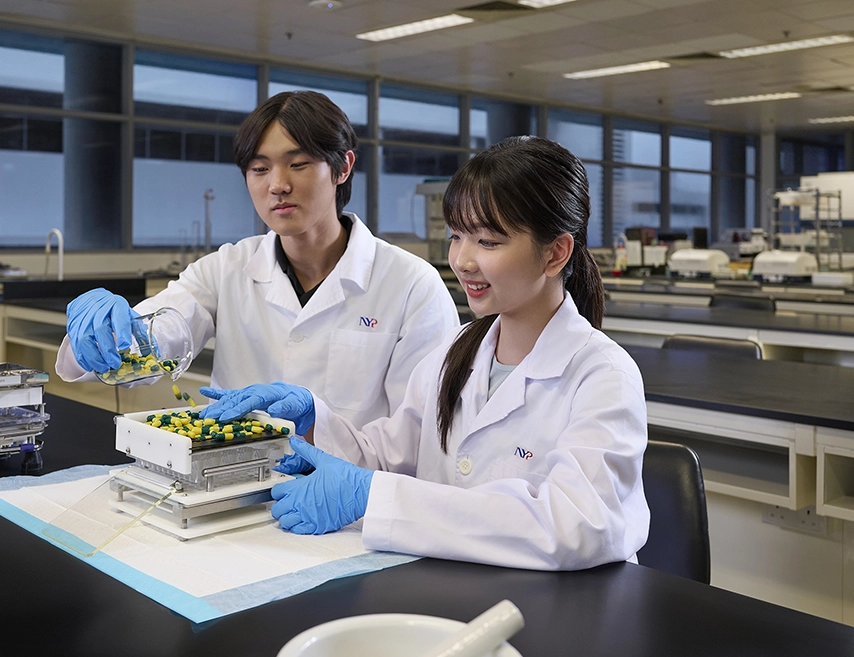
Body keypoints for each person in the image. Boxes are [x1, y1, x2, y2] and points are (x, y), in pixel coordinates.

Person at [199, 136, 650, 571]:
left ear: (555, 254)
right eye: (457, 236)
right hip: (447, 586)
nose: (463, 260)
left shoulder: (602, 375)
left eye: (488, 242)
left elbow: (578, 526)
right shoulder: (456, 352)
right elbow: (392, 454)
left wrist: (371, 496)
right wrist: (314, 422)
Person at [56, 91, 459, 427]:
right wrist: (102, 334)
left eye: (298, 164)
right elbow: (159, 337)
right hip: (229, 482)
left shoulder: (411, 286)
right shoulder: (225, 270)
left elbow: (422, 430)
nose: (278, 185)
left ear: (343, 167)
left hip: (347, 500)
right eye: (259, 168)